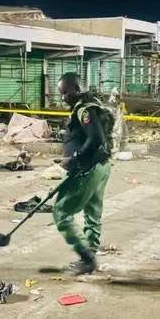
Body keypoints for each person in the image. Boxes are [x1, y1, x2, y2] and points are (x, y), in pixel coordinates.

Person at [53, 72, 113, 274]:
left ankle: (86, 258)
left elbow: (96, 139)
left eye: (65, 92)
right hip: (102, 166)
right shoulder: (92, 105)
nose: (63, 98)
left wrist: (75, 159)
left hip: (88, 168)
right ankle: (90, 256)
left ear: (76, 89)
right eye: (61, 93)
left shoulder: (84, 110)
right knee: (92, 212)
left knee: (61, 212)